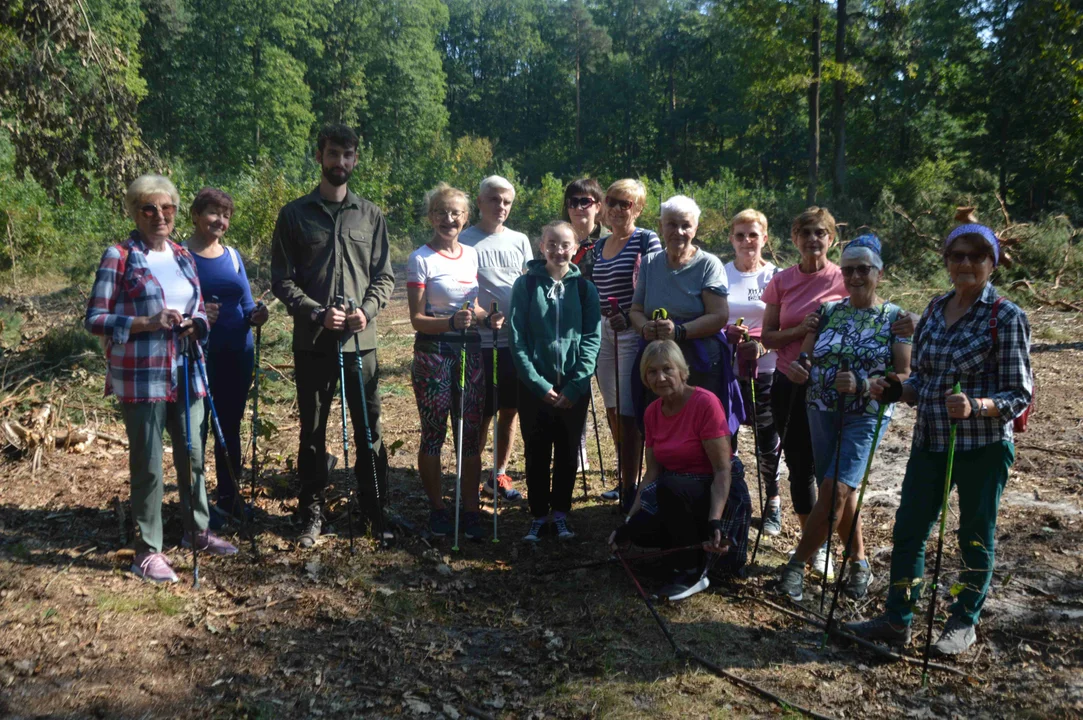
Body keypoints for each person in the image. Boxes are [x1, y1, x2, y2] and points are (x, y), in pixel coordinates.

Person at [846, 224, 1032, 657]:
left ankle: (963, 620)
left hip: (981, 449)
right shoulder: (934, 308)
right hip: (929, 440)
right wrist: (895, 389)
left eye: (976, 256)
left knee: (974, 534)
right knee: (909, 530)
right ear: (947, 261)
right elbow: (923, 381)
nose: (965, 263)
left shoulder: (1006, 315)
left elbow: (1018, 394)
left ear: (992, 262)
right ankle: (897, 619)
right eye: (957, 255)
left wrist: (977, 405)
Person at [85, 174, 236, 583]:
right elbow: (95, 319)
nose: (158, 216)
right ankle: (147, 551)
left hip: (188, 368)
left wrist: (197, 325)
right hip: (141, 375)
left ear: (175, 211)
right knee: (149, 465)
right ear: (134, 212)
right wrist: (147, 321)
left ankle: (196, 531)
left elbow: (200, 308)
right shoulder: (119, 256)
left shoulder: (184, 255)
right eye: (148, 208)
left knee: (192, 453)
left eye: (166, 208)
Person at [761, 207, 913, 578]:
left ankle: (797, 564)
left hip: (867, 413)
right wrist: (800, 369)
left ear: (879, 273)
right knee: (837, 489)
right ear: (842, 273)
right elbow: (807, 355)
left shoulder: (896, 318)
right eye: (850, 270)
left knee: (835, 485)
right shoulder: (827, 312)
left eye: (865, 269)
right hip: (819, 407)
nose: (856, 275)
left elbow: (904, 375)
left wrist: (865, 385)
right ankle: (859, 563)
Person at [270, 124, 395, 548]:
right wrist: (316, 313)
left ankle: (375, 510)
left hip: (362, 344)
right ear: (319, 156)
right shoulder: (293, 215)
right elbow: (282, 281)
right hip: (314, 343)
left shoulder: (371, 215)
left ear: (355, 160)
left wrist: (367, 310)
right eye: (333, 153)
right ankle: (311, 511)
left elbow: (384, 276)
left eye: (348, 155)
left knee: (369, 430)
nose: (340, 162)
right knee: (313, 430)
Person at [608, 340, 751, 601]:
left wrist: (715, 520)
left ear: (682, 371)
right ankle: (681, 549)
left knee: (671, 487)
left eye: (667, 369)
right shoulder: (652, 412)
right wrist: (629, 521)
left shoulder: (705, 403)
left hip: (714, 490)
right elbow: (651, 473)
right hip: (675, 493)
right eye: (652, 372)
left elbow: (722, 470)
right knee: (639, 529)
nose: (660, 377)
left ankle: (690, 570)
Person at [407, 183, 503, 539]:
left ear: (466, 217)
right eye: (441, 212)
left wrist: (486, 317)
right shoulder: (420, 258)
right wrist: (449, 322)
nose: (449, 219)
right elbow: (417, 319)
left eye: (456, 213)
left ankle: (471, 511)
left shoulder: (470, 254)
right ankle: (438, 509)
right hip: (434, 354)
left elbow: (473, 306)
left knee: (471, 433)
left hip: (471, 352)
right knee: (434, 432)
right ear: (431, 216)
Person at [508, 222, 601, 541]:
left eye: (565, 245)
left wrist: (576, 385)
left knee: (566, 450)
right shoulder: (525, 285)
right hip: (534, 387)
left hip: (573, 388)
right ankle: (537, 515)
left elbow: (591, 338)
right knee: (536, 450)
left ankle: (561, 513)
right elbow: (517, 339)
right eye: (552, 244)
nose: (559, 251)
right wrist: (536, 383)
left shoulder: (585, 289)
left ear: (575, 247)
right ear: (541, 245)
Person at [185, 188, 269, 528]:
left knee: (229, 427)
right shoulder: (181, 256)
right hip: (199, 355)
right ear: (195, 215)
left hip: (239, 352)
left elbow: (247, 304)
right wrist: (199, 312)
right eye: (213, 213)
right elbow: (175, 305)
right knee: (197, 429)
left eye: (226, 215)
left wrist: (257, 315)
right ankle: (198, 508)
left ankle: (229, 499)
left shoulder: (233, 255)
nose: (220, 220)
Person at [459, 175, 533, 502]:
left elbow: (529, 287)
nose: (501, 207)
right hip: (479, 343)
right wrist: (481, 316)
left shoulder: (519, 240)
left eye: (506, 202)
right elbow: (458, 290)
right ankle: (472, 476)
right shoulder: (465, 240)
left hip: (513, 343)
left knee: (510, 409)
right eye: (494, 200)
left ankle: (498, 474)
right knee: (482, 412)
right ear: (480, 202)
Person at [593, 179, 662, 505]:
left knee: (628, 410)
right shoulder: (598, 245)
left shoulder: (647, 239)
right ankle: (626, 477)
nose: (619, 208)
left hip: (632, 330)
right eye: (613, 201)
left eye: (626, 203)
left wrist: (636, 315)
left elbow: (656, 283)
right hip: (603, 332)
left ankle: (632, 487)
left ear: (639, 208)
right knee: (611, 408)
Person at [629, 194, 730, 411]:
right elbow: (636, 309)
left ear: (696, 228)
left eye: (686, 225)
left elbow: (719, 316)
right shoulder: (649, 263)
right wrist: (645, 327)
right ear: (661, 226)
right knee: (660, 422)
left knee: (700, 423)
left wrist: (679, 331)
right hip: (657, 361)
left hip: (699, 361)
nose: (679, 231)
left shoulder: (709, 264)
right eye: (672, 224)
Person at [721, 209, 783, 537]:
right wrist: (725, 334)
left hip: (767, 368)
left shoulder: (777, 276)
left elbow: (786, 325)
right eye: (740, 235)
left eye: (753, 235)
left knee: (767, 439)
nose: (747, 241)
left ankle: (772, 501)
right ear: (731, 239)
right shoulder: (720, 272)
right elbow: (713, 314)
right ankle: (731, 499)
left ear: (765, 238)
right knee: (726, 436)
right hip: (729, 369)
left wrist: (762, 345)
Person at [563, 177, 607, 282]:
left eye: (585, 202)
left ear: (598, 207)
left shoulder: (608, 241)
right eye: (573, 202)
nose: (578, 208)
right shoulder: (554, 240)